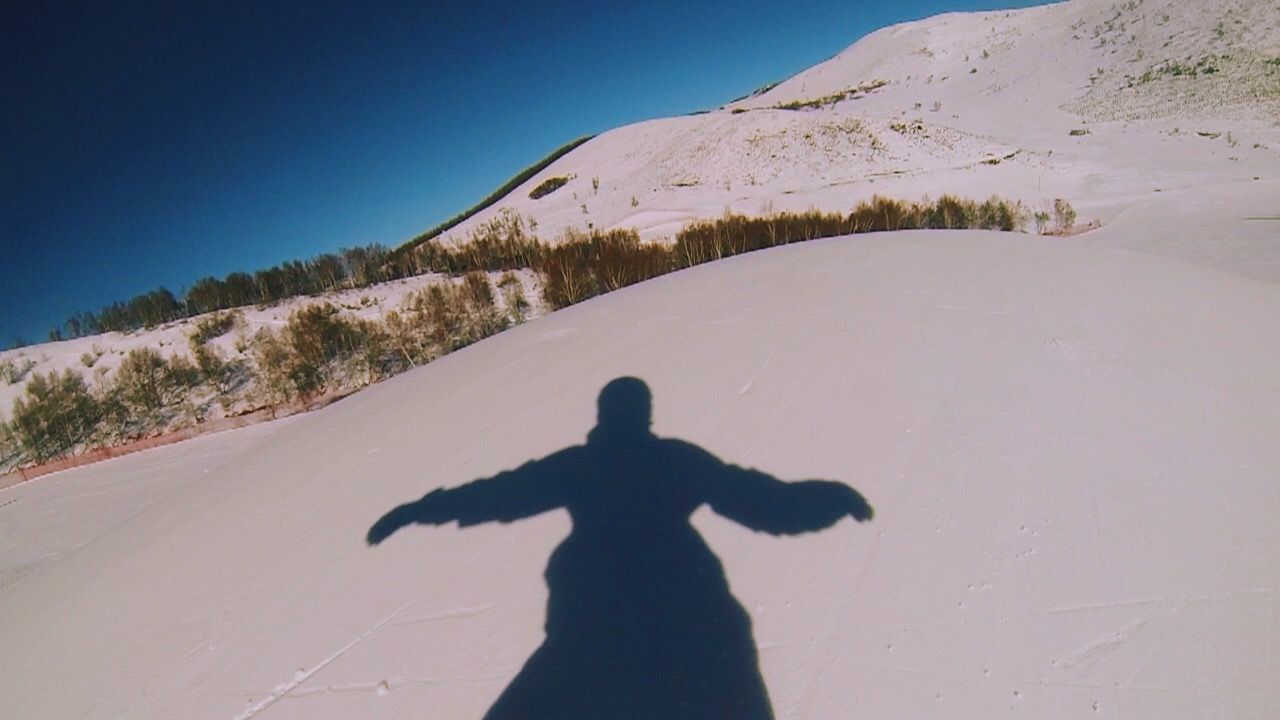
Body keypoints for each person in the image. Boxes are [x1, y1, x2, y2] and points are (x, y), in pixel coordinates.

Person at [368, 377, 872, 719]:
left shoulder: (582, 465)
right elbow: (764, 503)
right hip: (680, 614)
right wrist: (831, 499)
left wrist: (419, 510)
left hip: (605, 623)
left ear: (606, 414)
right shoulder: (675, 460)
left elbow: (501, 493)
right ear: (642, 413)